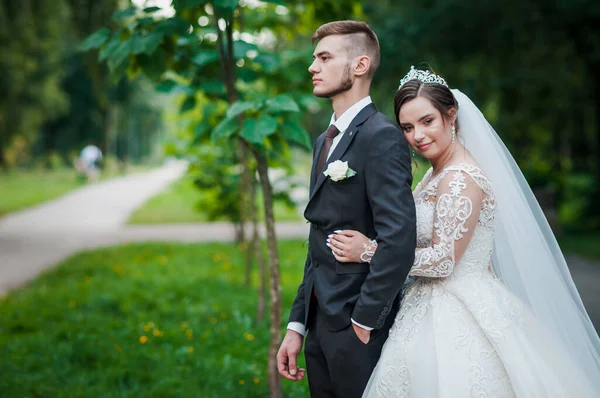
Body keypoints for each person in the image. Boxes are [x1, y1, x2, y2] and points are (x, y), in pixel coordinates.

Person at [327, 66, 600, 396]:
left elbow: (444, 261)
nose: (417, 136)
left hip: (455, 309)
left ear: (451, 115)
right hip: (428, 301)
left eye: (427, 121)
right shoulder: (436, 173)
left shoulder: (460, 178)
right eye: (407, 127)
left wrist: (369, 251)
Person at [276, 21, 417, 397]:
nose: (312, 67)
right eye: (314, 58)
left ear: (359, 66)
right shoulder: (325, 140)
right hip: (319, 323)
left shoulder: (381, 136)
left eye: (324, 57)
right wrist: (297, 325)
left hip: (358, 327)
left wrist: (364, 319)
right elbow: (318, 237)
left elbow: (399, 241)